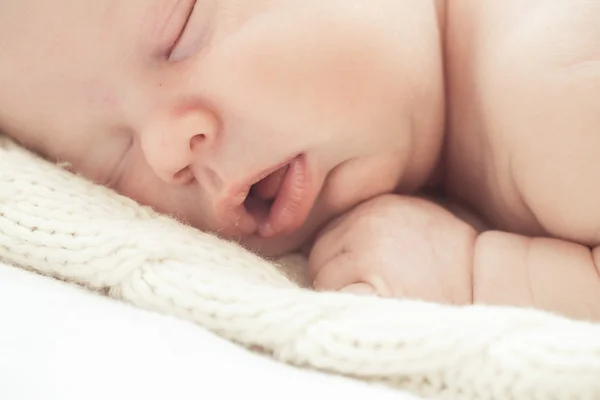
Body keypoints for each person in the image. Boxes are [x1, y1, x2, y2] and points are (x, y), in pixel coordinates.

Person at [1, 0, 599, 321]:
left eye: (179, 29)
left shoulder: (554, 87)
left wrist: (482, 278)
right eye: (112, 162)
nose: (164, 152)